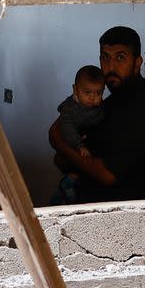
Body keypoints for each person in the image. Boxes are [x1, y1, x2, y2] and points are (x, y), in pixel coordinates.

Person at [49, 26, 145, 203]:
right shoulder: (109, 103)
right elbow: (63, 160)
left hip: (125, 219)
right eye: (105, 57)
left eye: (120, 57)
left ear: (137, 63)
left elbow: (107, 174)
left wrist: (59, 142)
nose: (111, 67)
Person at [50, 65, 106, 204]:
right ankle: (65, 189)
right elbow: (66, 128)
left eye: (98, 93)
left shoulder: (99, 106)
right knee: (74, 172)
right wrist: (79, 145)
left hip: (89, 148)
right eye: (87, 92)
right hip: (75, 144)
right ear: (75, 89)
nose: (93, 98)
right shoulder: (70, 109)